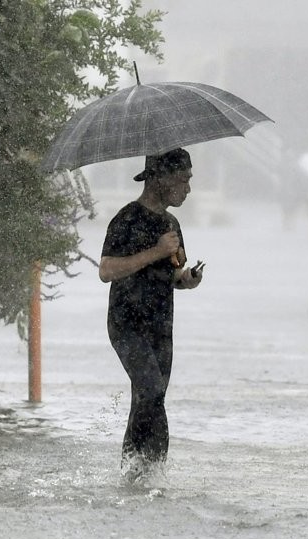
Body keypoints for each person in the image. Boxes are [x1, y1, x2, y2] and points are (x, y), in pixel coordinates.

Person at [99, 148, 204, 484]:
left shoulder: (171, 224)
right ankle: (144, 471)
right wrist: (155, 251)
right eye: (183, 179)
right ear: (159, 179)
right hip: (127, 323)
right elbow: (107, 270)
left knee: (149, 398)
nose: (188, 188)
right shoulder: (126, 219)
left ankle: (139, 476)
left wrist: (187, 280)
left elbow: (173, 273)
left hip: (161, 324)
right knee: (151, 390)